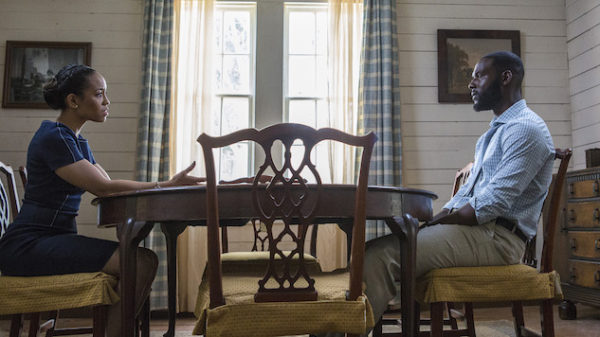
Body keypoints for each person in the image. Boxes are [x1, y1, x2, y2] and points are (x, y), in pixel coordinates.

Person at [356, 51, 556, 334]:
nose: (471, 84)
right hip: (482, 233)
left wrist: (436, 222)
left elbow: (493, 202)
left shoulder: (526, 129)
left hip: (499, 238)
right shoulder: (495, 133)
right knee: (375, 248)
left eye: (479, 75)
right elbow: (467, 198)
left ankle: (345, 332)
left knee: (381, 255)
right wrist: (435, 220)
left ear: (506, 77)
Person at [0, 64, 205, 337]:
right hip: (28, 247)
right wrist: (167, 185)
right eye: (99, 94)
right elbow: (105, 189)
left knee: (142, 260)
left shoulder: (75, 141)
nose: (107, 102)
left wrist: (166, 186)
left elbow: (111, 189)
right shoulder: (54, 137)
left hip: (49, 241)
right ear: (73, 101)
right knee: (141, 262)